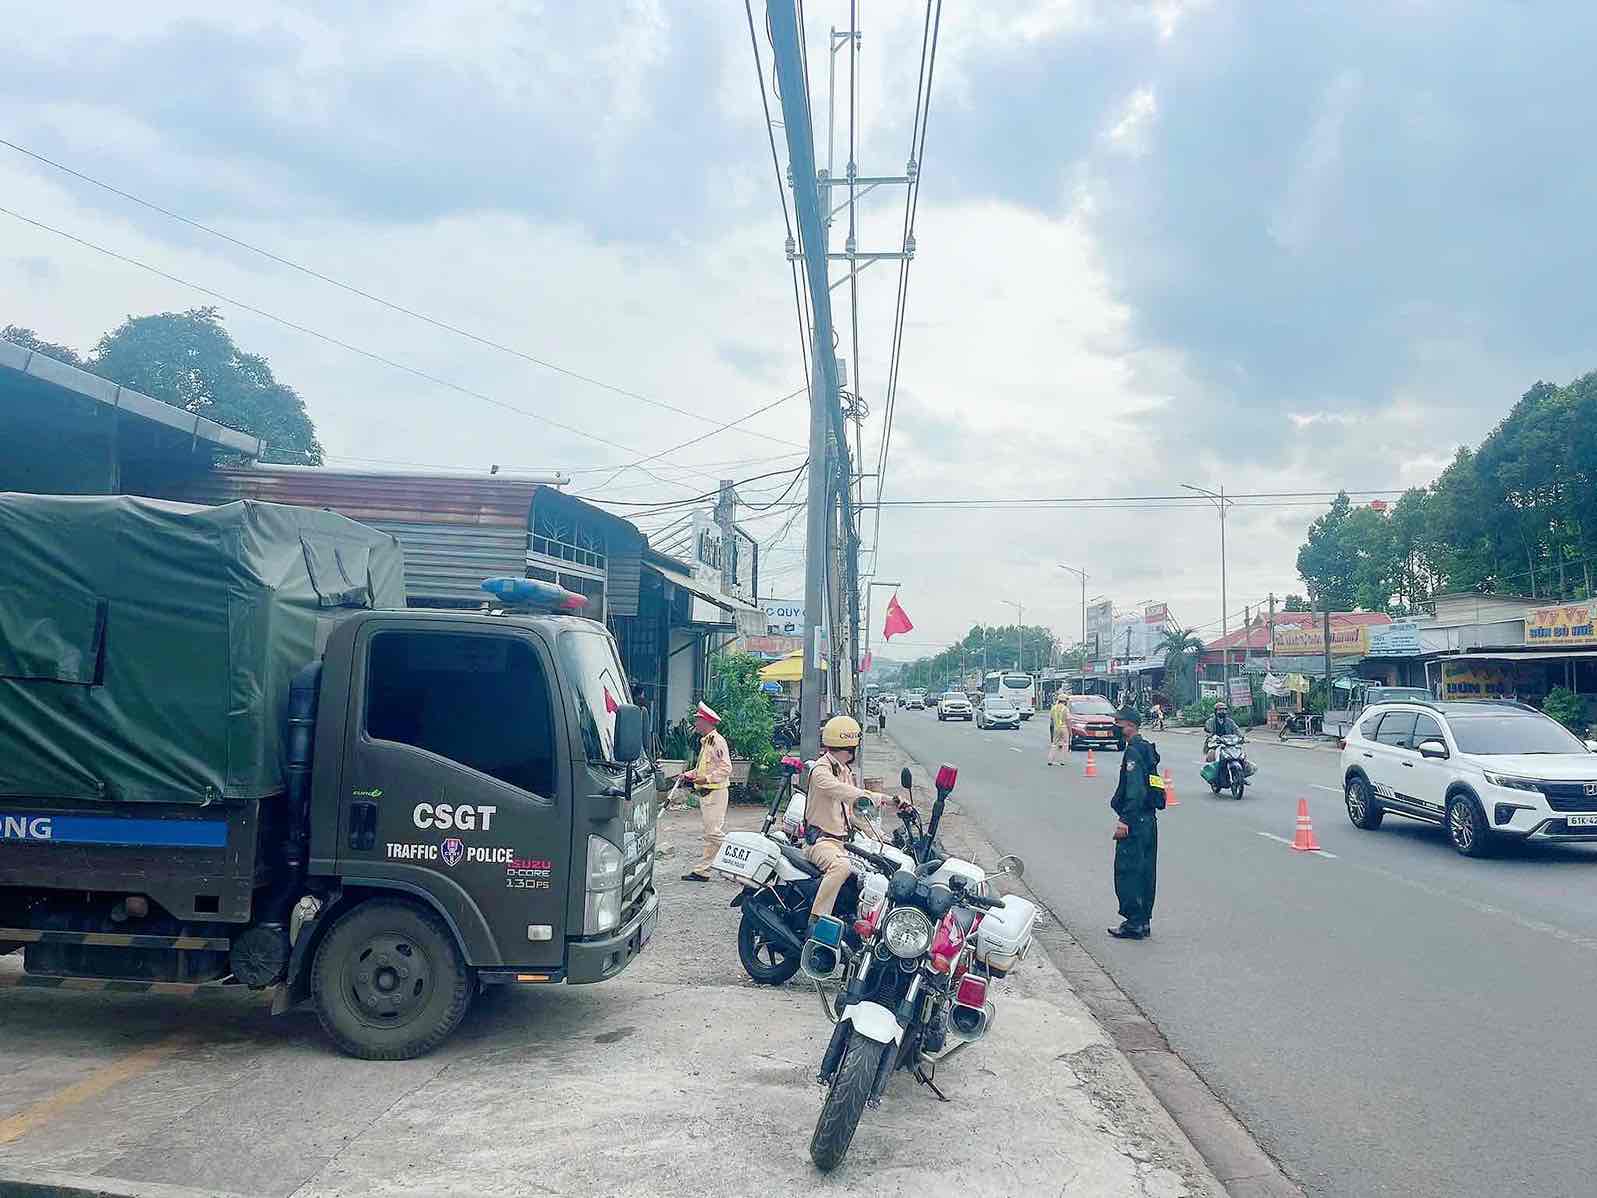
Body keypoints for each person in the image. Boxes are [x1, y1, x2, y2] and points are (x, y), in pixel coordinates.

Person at [803, 715, 901, 925]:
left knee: (872, 869)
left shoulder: (843, 770)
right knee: (842, 867)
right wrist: (879, 798)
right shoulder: (821, 772)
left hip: (841, 842)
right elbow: (848, 793)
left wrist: (881, 836)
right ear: (849, 747)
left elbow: (852, 812)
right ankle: (817, 920)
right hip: (821, 842)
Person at [1108, 706, 1164, 940]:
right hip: (1149, 820)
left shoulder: (1133, 752)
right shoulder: (1146, 749)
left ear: (1129, 725)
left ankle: (1133, 923)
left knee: (1129, 871)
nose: (1115, 728)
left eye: (1118, 724)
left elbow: (1135, 790)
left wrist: (1124, 820)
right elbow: (1156, 785)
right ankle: (1144, 920)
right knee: (1146, 871)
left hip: (1136, 821)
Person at [680, 702, 733, 882]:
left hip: (715, 792)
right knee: (712, 833)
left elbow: (726, 768)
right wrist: (689, 775)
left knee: (712, 833)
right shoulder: (707, 741)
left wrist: (706, 779)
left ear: (706, 722)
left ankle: (740, 854)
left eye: (697, 720)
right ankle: (703, 870)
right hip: (707, 792)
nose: (695, 724)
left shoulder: (717, 741)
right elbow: (703, 768)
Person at [1047, 691, 1070, 765]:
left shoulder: (1053, 708)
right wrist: (1070, 731)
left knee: (1054, 744)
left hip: (1056, 728)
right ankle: (1062, 761)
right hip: (1064, 727)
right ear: (1065, 701)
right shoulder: (1065, 709)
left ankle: (1050, 760)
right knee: (1065, 744)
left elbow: (1051, 719)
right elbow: (1068, 720)